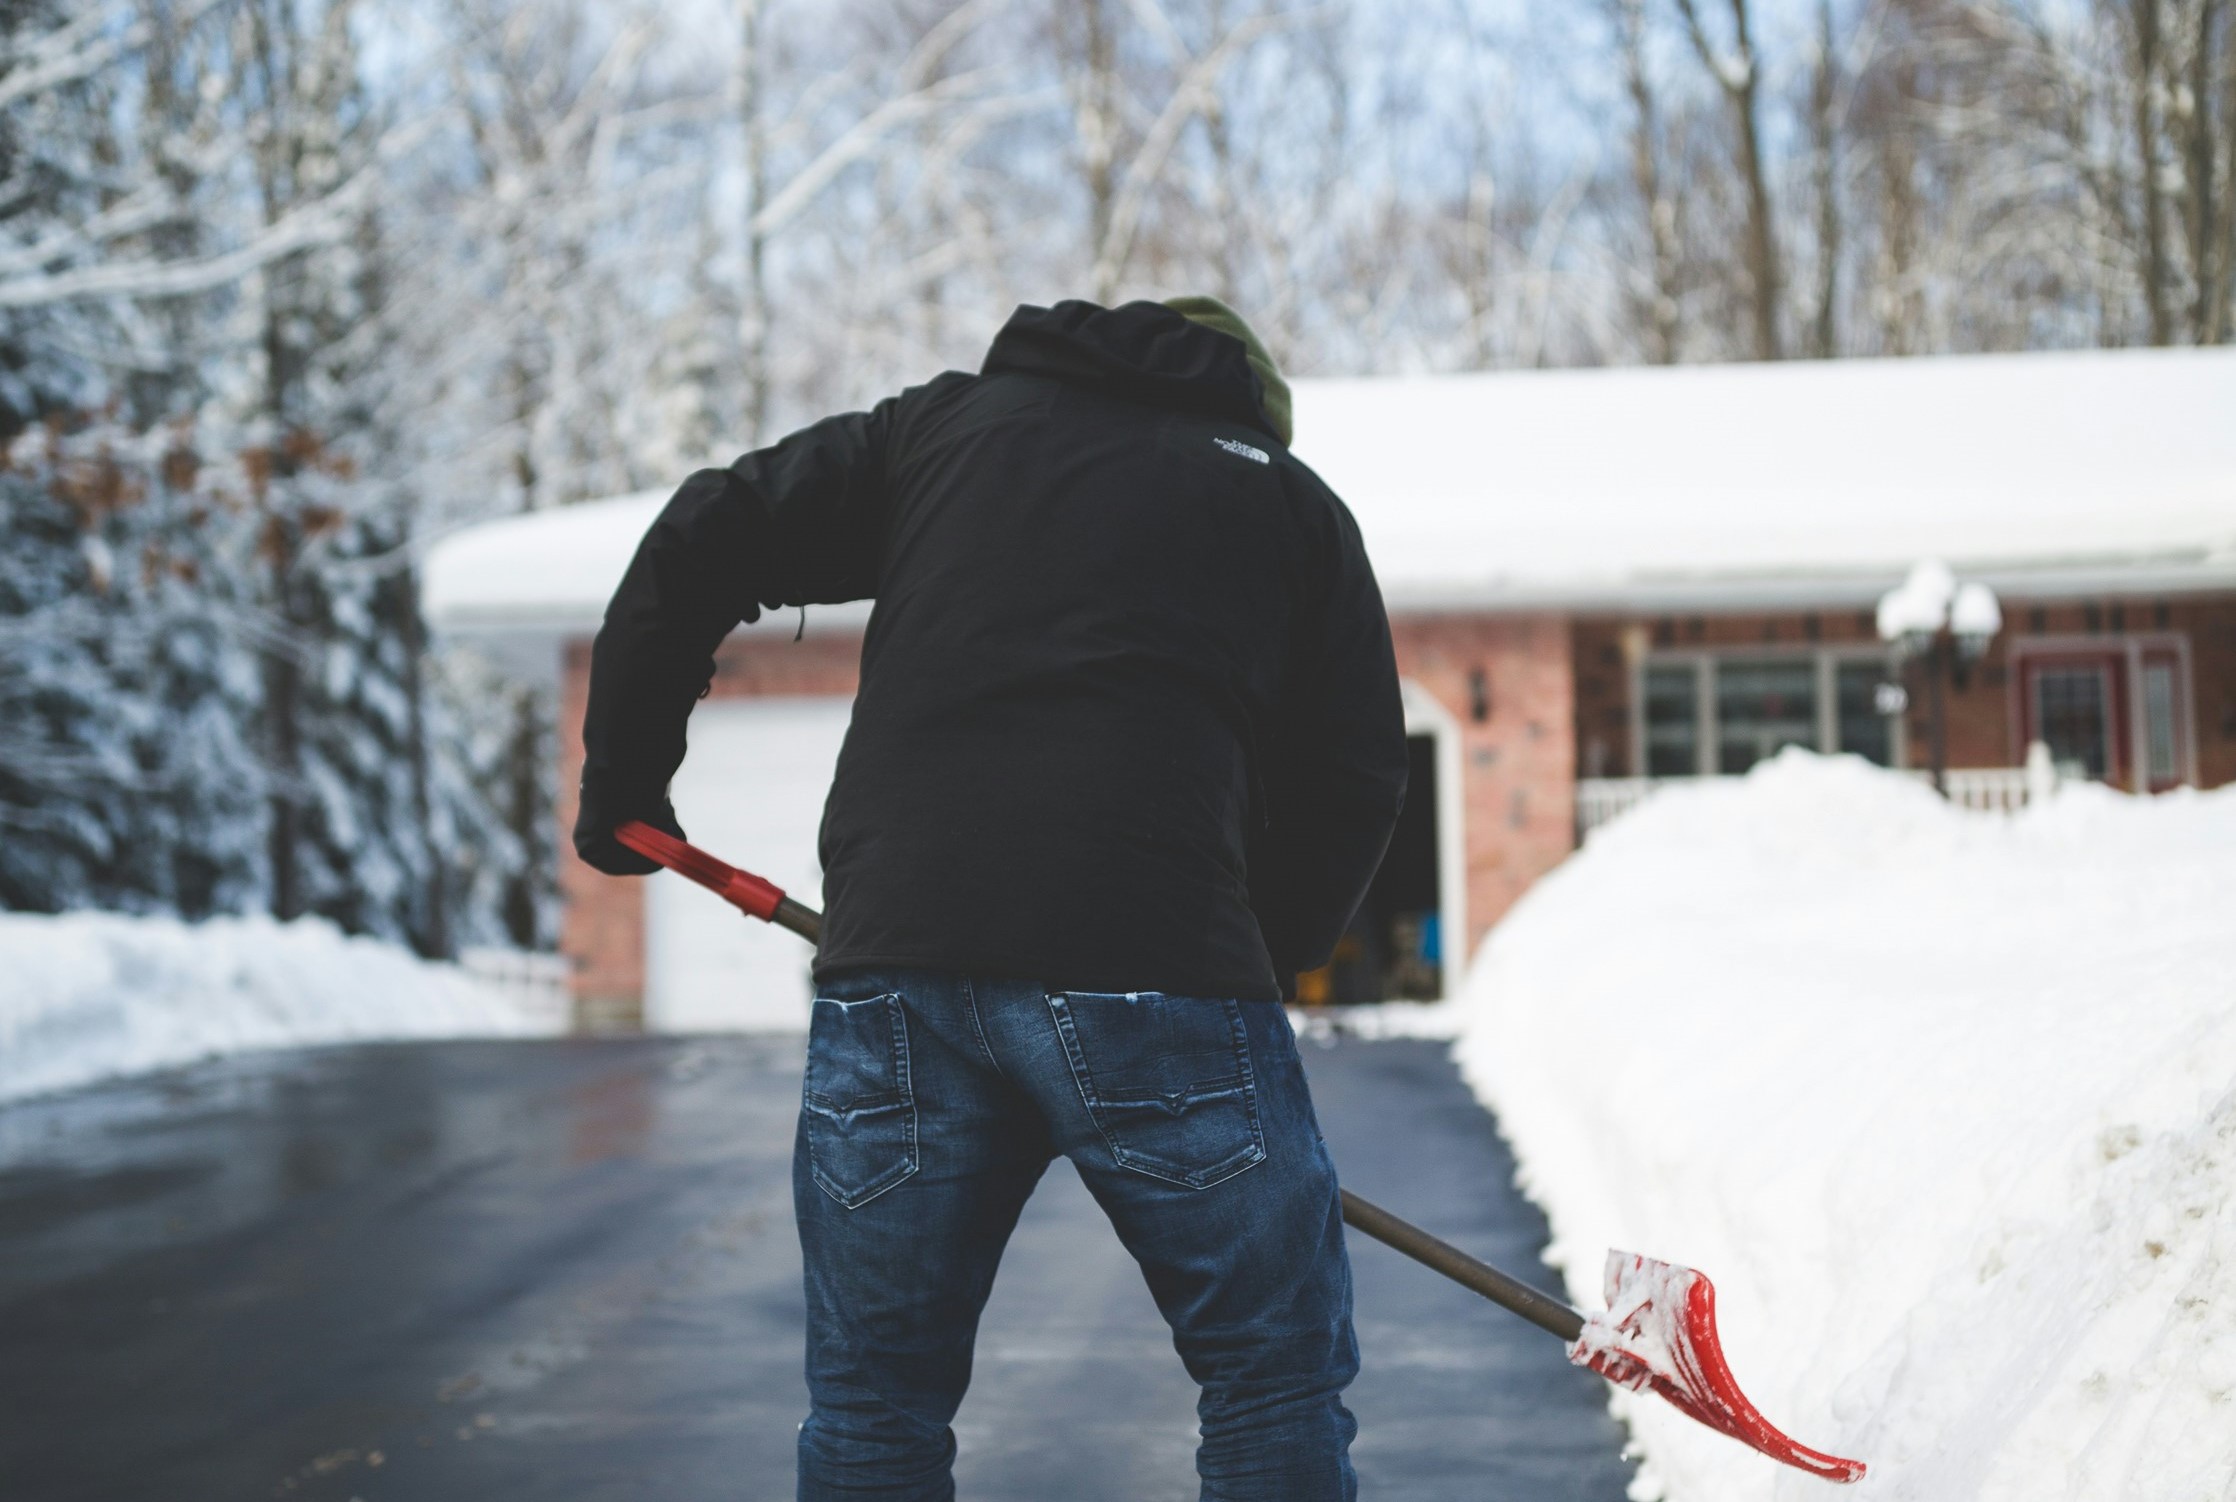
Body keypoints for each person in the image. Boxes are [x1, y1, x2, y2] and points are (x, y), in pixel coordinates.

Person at [574, 296, 1408, 1501]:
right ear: (1250, 406)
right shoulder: (1286, 502)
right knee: (1270, 1379)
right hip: (1155, 957)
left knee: (873, 1400)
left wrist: (624, 777)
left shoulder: (942, 436)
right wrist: (1248, 966)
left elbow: (712, 526)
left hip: (899, 961)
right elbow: (1354, 774)